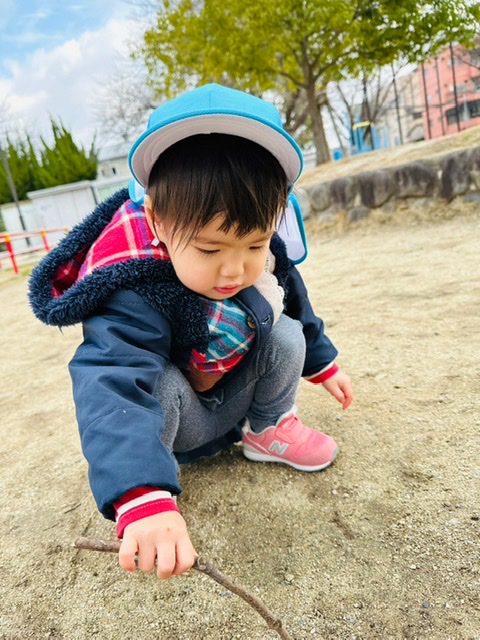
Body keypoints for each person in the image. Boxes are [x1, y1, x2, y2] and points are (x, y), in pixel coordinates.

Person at [29, 83, 353, 581]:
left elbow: (295, 297)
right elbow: (111, 380)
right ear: (157, 221)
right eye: (209, 249)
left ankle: (267, 431)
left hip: (231, 401)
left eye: (254, 244)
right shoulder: (133, 282)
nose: (235, 269)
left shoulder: (264, 257)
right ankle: (156, 482)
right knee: (155, 378)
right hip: (179, 423)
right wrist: (140, 492)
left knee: (288, 333)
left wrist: (323, 363)